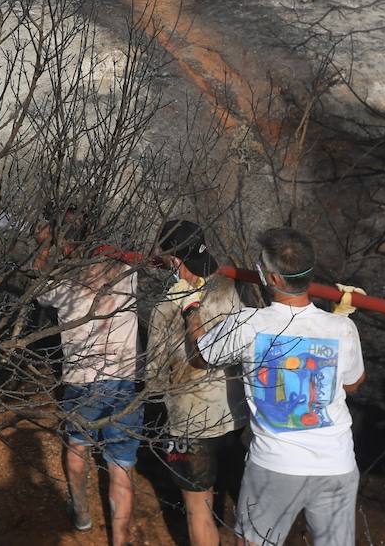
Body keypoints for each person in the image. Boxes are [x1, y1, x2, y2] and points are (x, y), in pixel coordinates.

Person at [185, 228, 366, 546]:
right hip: (337, 464)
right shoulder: (341, 327)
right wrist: (338, 325)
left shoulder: (248, 324)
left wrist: (190, 310)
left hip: (276, 465)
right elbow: (352, 384)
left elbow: (200, 356)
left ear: (273, 278)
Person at [34, 208, 141, 546]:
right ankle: (119, 540)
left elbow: (37, 283)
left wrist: (44, 245)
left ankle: (81, 512)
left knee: (77, 445)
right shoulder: (127, 272)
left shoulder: (63, 284)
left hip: (82, 381)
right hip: (125, 379)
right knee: (121, 466)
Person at [147, 220, 248, 546]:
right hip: (236, 418)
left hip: (188, 426)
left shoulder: (166, 306)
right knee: (238, 501)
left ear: (175, 260)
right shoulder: (231, 290)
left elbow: (153, 377)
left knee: (197, 508)